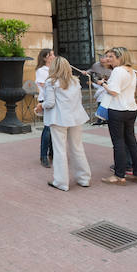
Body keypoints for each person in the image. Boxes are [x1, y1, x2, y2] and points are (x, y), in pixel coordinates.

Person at [42, 57, 92, 191]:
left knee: (59, 150)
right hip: (75, 117)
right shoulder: (75, 82)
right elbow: (79, 100)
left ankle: (61, 182)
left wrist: (40, 106)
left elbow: (50, 103)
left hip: (59, 118)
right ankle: (84, 178)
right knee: (77, 147)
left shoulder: (51, 82)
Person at [96, 47, 137, 185]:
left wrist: (103, 84)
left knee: (118, 143)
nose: (108, 59)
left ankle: (119, 175)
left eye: (111, 56)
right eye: (108, 56)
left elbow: (114, 92)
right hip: (131, 109)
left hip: (117, 110)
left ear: (120, 57)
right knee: (131, 141)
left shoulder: (118, 71)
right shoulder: (132, 71)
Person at [34, 49, 55, 167]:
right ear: (44, 58)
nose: (53, 56)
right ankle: (43, 156)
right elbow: (43, 84)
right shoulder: (42, 70)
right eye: (50, 55)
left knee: (52, 127)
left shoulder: (53, 69)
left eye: (53, 54)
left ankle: (52, 153)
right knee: (47, 128)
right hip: (45, 100)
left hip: (53, 100)